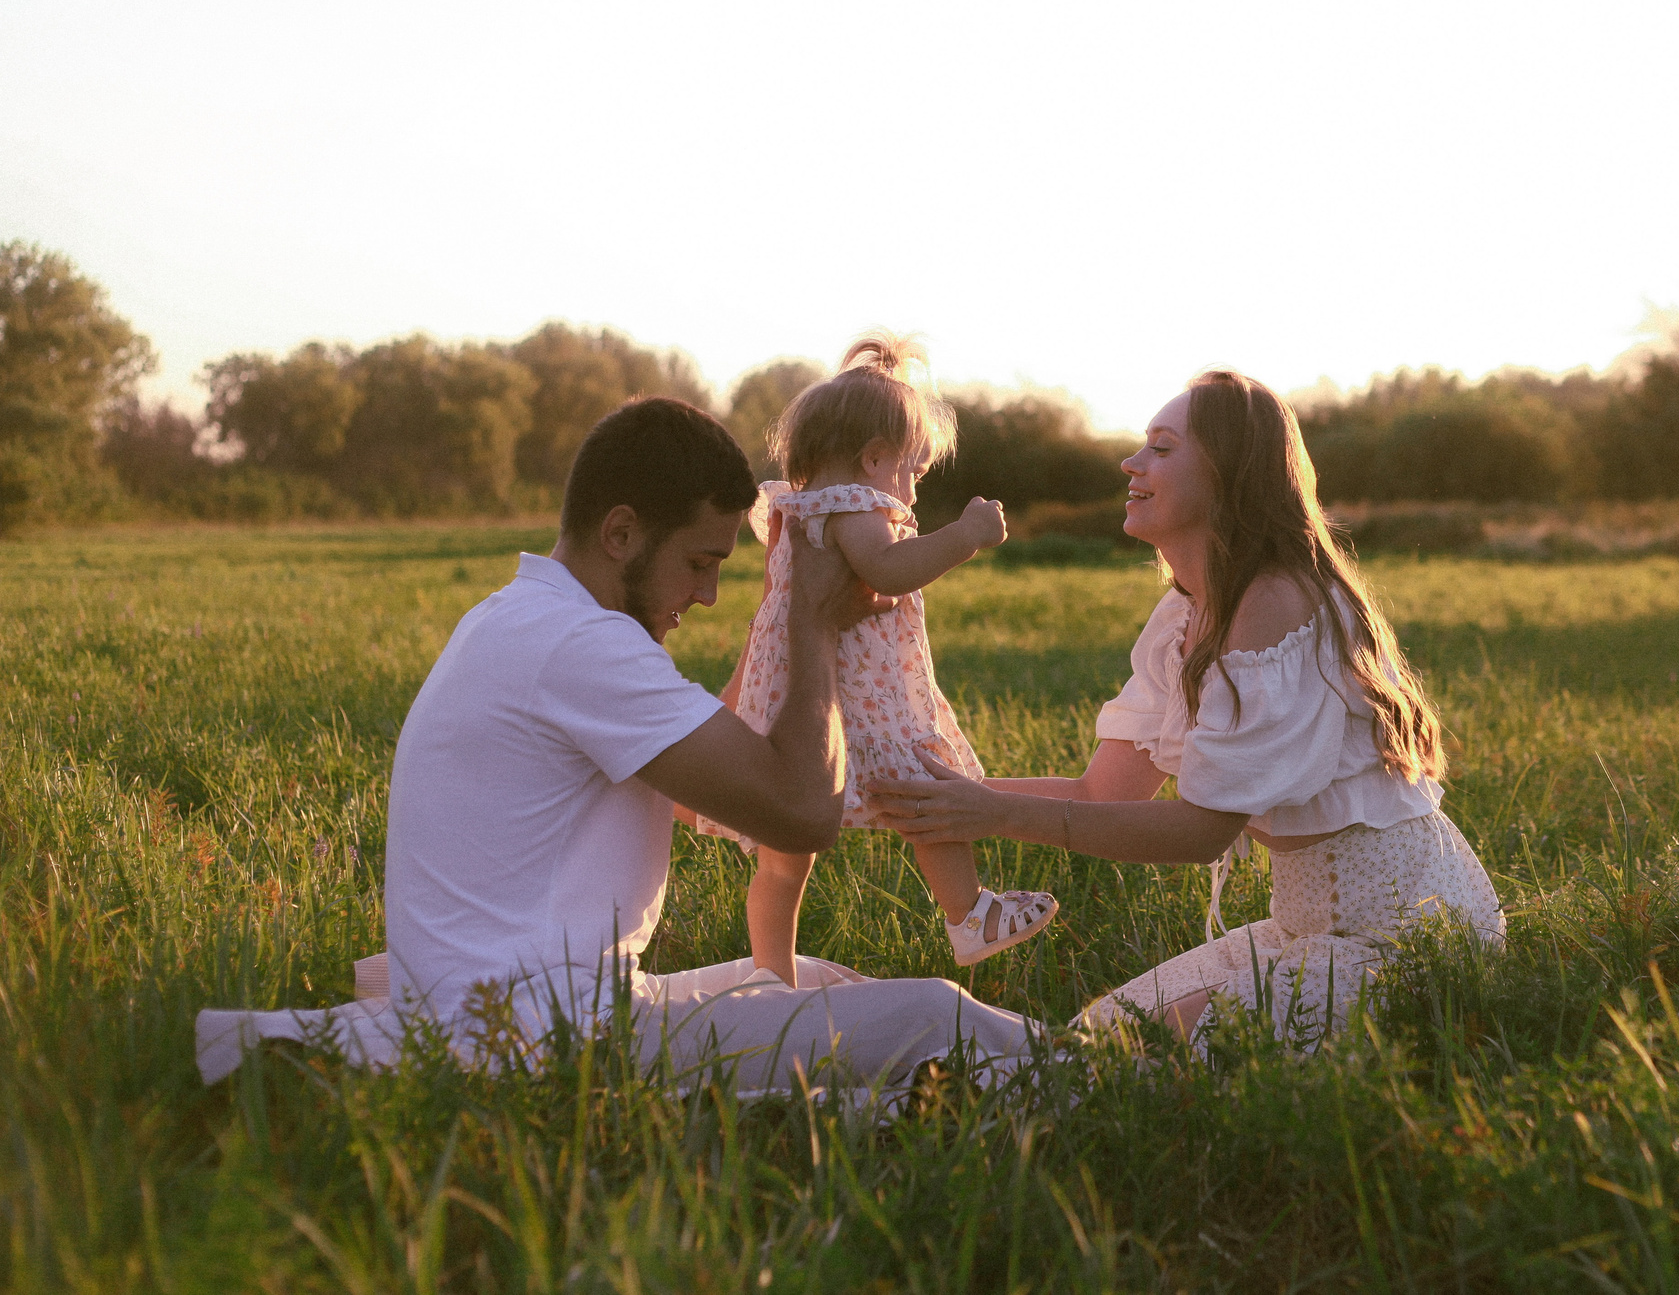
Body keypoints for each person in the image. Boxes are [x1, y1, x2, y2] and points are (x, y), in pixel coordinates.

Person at [195, 397, 1040, 1096]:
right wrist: (811, 628)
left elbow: (723, 756)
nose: (709, 594)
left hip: (539, 997)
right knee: (936, 1013)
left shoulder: (523, 616)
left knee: (810, 974)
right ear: (622, 533)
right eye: (700, 562)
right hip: (542, 1034)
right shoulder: (581, 647)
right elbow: (802, 812)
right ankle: (1117, 1065)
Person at [869, 370, 1504, 1045]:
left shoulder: (1275, 603)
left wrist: (993, 812)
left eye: (1163, 448)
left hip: (1407, 935)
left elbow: (1203, 831)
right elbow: (1101, 792)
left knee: (1133, 1055)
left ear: (1228, 474)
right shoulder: (1184, 614)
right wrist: (940, 799)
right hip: (1304, 926)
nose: (1131, 462)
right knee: (1095, 1036)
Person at [697, 332, 1056, 982]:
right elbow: (888, 571)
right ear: (873, 459)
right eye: (912, 472)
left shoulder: (802, 509)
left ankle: (769, 974)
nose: (912, 493)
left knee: (784, 856)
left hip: (798, 698)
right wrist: (965, 536)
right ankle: (967, 912)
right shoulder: (856, 506)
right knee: (925, 790)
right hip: (862, 697)